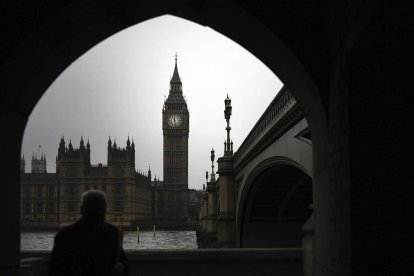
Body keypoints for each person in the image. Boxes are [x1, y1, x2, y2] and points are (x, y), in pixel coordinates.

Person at [49, 190, 129, 276]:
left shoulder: (112, 233)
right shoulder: (65, 237)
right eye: (93, 210)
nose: (98, 213)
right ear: (82, 210)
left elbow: (122, 259)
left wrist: (122, 266)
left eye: (101, 209)